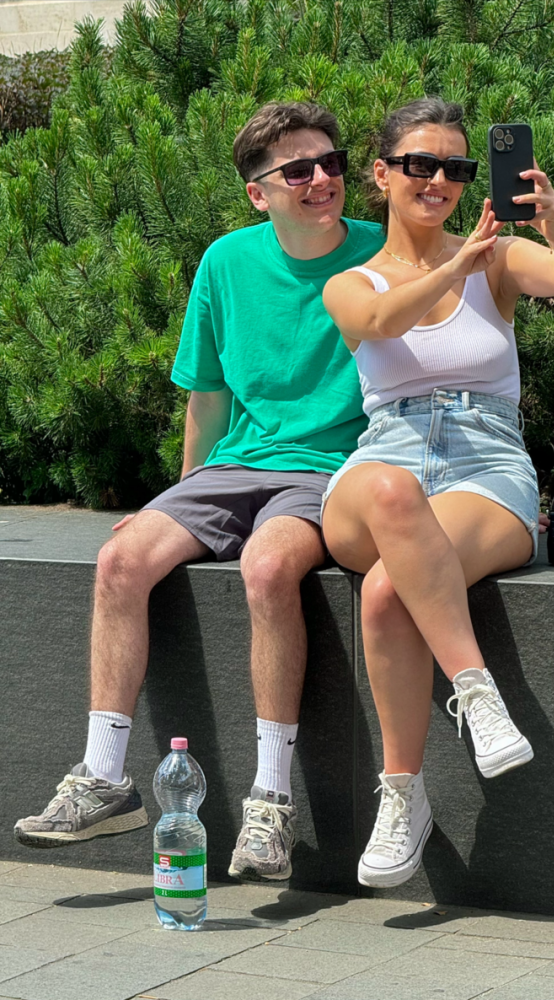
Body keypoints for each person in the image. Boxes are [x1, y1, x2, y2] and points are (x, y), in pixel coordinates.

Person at [14, 101, 384, 882]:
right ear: (259, 192)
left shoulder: (382, 253)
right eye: (299, 170)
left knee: (268, 566)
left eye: (332, 163)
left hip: (330, 468)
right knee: (121, 558)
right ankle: (103, 778)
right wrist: (180, 505)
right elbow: (208, 399)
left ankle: (270, 804)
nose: (323, 179)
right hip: (234, 467)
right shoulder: (225, 262)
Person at [321, 97, 554, 889]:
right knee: (391, 490)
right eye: (420, 164)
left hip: (487, 464)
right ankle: (478, 694)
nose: (438, 180)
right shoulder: (351, 281)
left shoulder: (499, 258)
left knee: (387, 592)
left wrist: (553, 226)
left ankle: (401, 797)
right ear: (381, 174)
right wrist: (452, 266)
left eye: (457, 167)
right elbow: (379, 320)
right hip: (384, 460)